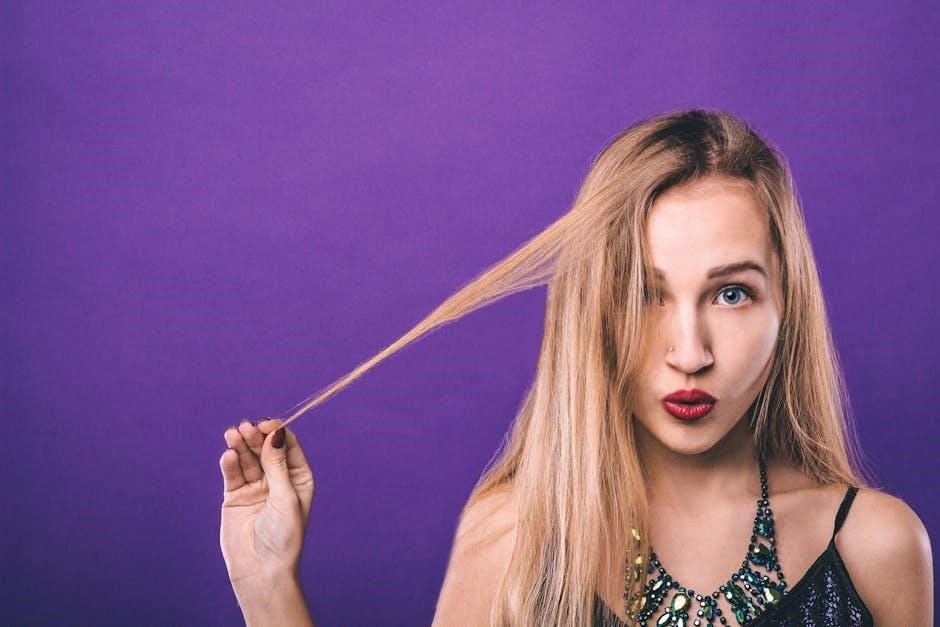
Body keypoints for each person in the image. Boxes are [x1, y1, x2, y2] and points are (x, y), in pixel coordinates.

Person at [218, 109, 933, 626]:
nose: (690, 353)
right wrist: (266, 585)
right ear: (591, 310)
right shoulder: (514, 537)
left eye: (731, 293)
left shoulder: (876, 546)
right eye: (643, 293)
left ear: (787, 307)